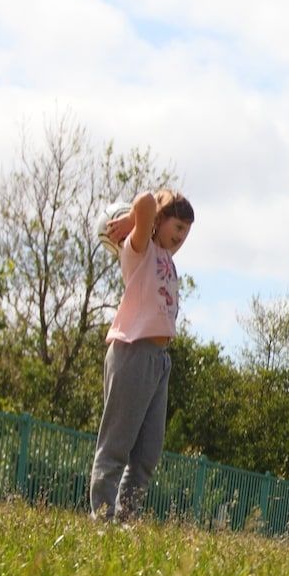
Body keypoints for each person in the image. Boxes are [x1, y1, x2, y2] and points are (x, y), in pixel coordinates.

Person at [90, 188, 196, 521]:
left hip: (159, 360)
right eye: (177, 227)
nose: (181, 237)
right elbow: (148, 200)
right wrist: (134, 220)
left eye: (186, 232)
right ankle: (102, 519)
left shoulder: (167, 259)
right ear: (158, 222)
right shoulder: (140, 250)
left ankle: (126, 517)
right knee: (116, 445)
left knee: (148, 452)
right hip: (133, 351)